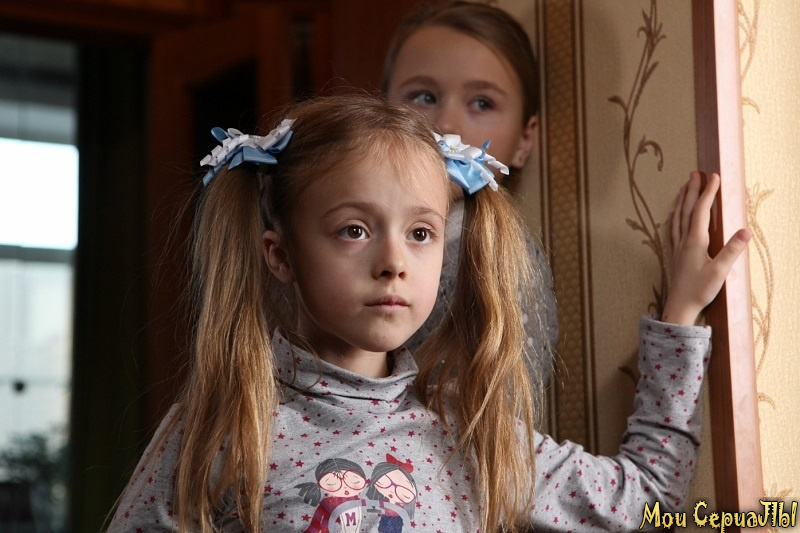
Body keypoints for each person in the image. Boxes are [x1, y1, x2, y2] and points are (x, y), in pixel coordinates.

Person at [107, 93, 749, 532]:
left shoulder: (473, 434)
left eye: (420, 233)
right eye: (354, 230)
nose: (393, 262)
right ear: (281, 255)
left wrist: (680, 317)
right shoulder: (222, 428)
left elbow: (646, 504)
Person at [381, 1, 557, 393]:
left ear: (524, 140)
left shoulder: (502, 262)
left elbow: (499, 417)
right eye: (423, 97)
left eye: (482, 103)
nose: (445, 125)